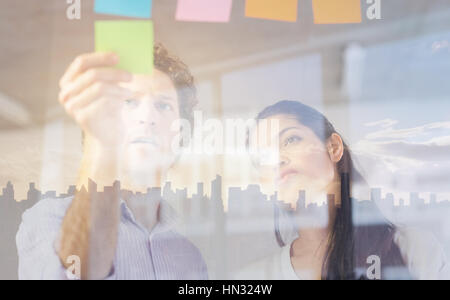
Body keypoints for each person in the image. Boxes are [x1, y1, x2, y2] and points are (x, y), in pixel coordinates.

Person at [16, 44, 208, 280]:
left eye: (163, 105)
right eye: (129, 102)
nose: (147, 117)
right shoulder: (50, 221)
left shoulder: (189, 257)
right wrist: (104, 146)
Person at [236, 100, 449, 280]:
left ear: (334, 147)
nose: (277, 158)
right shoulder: (251, 279)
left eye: (291, 139)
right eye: (263, 156)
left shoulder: (415, 250)